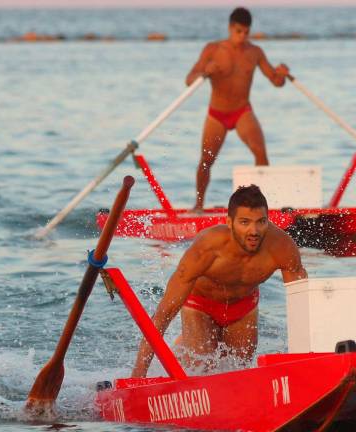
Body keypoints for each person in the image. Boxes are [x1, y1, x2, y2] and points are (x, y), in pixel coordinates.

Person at [133, 185, 307, 377]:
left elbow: (301, 308)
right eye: (244, 222)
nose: (254, 231)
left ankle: (185, 346)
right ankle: (183, 349)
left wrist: (306, 367)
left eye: (261, 222)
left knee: (238, 372)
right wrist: (137, 378)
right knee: (201, 369)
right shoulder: (207, 248)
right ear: (229, 222)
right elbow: (163, 314)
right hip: (200, 305)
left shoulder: (282, 247)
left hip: (243, 308)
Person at [185, 7, 290, 212]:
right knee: (206, 160)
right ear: (230, 28)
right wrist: (205, 72)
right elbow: (189, 80)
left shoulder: (255, 52)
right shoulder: (213, 49)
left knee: (261, 154)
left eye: (246, 32)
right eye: (238, 31)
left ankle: (261, 208)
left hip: (242, 111)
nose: (242, 37)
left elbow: (276, 82)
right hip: (216, 115)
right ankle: (198, 205)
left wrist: (283, 73)